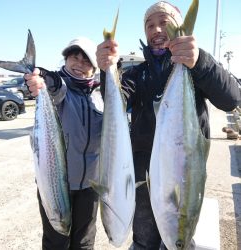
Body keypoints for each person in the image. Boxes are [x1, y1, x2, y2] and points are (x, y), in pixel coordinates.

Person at [96, 1, 241, 249]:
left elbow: (231, 100)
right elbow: (116, 105)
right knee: (144, 241)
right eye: (150, 25)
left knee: (180, 235)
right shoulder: (137, 74)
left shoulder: (195, 67)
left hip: (182, 173)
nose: (156, 30)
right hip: (143, 176)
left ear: (176, 25)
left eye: (164, 22)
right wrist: (108, 70)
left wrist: (200, 62)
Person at [25, 37, 103, 250]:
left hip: (90, 184)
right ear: (66, 60)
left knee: (85, 242)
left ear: (94, 68)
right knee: (56, 241)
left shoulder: (99, 95)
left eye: (86, 61)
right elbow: (52, 83)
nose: (79, 64)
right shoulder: (60, 86)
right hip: (57, 183)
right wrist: (38, 77)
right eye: (74, 58)